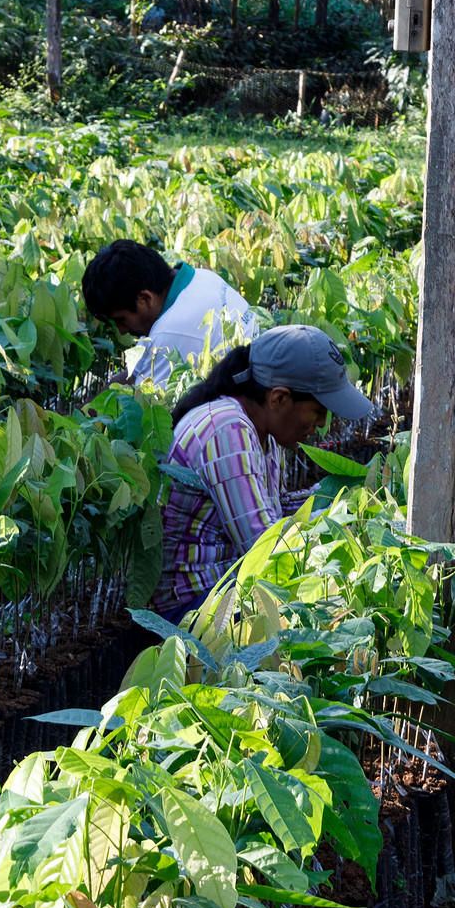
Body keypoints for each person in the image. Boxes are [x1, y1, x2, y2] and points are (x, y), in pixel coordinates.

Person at [156, 324, 376, 622]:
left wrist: (342, 498)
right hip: (191, 609)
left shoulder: (263, 430)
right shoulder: (228, 431)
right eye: (318, 411)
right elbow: (265, 547)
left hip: (224, 593)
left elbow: (272, 509)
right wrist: (344, 536)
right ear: (279, 399)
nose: (321, 425)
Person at [81, 239, 260, 386]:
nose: (121, 330)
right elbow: (133, 375)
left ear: (145, 299)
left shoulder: (172, 332)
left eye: (121, 319)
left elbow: (148, 410)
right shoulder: (201, 277)